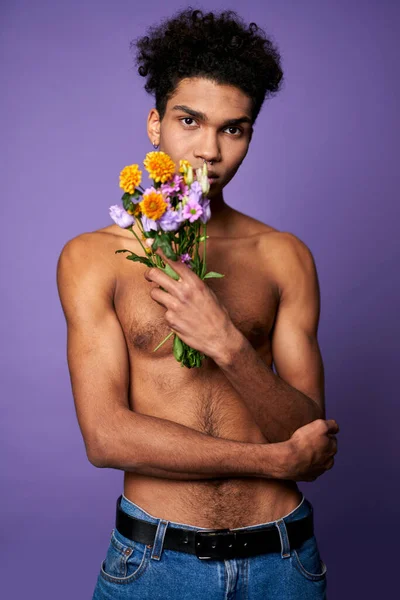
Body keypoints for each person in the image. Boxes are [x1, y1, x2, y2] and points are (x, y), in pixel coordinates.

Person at [56, 7, 339, 599]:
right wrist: (271, 462)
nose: (208, 150)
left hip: (282, 562)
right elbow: (105, 438)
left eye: (233, 129)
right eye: (190, 120)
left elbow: (309, 440)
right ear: (155, 125)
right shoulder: (92, 258)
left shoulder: (284, 256)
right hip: (156, 564)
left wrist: (228, 344)